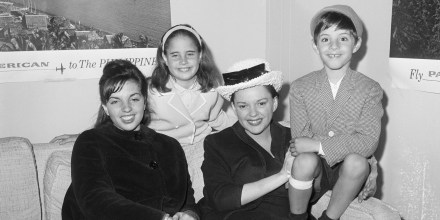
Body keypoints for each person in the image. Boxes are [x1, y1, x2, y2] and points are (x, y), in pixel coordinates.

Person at [51, 24, 235, 201]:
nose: (183, 61)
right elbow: (123, 117)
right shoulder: (150, 91)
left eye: (190, 54)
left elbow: (216, 118)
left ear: (200, 55)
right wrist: (82, 135)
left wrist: (250, 126)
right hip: (165, 154)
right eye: (175, 55)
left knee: (212, 199)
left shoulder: (215, 88)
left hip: (201, 150)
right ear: (164, 58)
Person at [62, 60, 199, 220]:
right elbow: (95, 199)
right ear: (105, 107)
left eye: (134, 99)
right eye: (115, 101)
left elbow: (188, 202)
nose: (126, 108)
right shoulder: (91, 142)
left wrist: (190, 215)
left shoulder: (171, 147)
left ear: (144, 101)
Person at [288, 5, 384, 220]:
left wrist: (318, 145)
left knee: (358, 161)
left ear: (356, 43)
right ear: (315, 45)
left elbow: (368, 141)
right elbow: (300, 140)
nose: (333, 46)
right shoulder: (301, 86)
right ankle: (296, 216)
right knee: (303, 160)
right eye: (325, 39)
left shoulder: (370, 88)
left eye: (343, 39)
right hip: (315, 169)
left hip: (349, 171)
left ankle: (329, 217)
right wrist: (314, 147)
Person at [199, 58, 295, 220]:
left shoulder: (293, 137)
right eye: (243, 106)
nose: (253, 113)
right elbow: (221, 199)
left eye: (261, 103)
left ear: (275, 103)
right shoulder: (218, 143)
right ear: (234, 108)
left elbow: (314, 189)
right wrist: (283, 175)